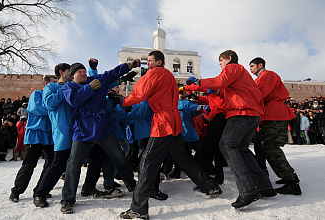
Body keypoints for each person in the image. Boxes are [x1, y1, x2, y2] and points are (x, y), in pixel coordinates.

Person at [120, 50, 221, 219]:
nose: (148, 64)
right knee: (183, 157)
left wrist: (124, 101)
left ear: (159, 62)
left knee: (147, 162)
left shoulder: (156, 73)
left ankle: (138, 209)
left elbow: (141, 93)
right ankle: (209, 185)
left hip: (163, 122)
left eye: (151, 61)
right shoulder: (168, 75)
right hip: (173, 121)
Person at [187, 50, 275, 209]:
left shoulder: (233, 67)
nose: (219, 64)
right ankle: (264, 186)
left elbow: (219, 82)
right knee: (241, 149)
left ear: (228, 58)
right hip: (251, 113)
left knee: (227, 145)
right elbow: (217, 89)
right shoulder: (239, 75)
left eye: (220, 60)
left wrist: (199, 82)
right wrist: (195, 88)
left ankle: (248, 190)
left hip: (242, 112)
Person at [60, 61, 138, 214]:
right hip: (82, 131)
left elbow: (112, 73)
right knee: (73, 165)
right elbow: (74, 101)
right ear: (73, 75)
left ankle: (132, 185)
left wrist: (128, 66)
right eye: (79, 72)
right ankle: (67, 200)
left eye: (84, 71)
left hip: (103, 128)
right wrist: (89, 88)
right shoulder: (69, 87)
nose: (83, 73)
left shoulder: (96, 80)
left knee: (119, 158)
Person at [249, 57, 301, 195]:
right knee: (260, 144)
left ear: (261, 65)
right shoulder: (261, 77)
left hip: (276, 115)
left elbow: (261, 93)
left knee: (270, 146)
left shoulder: (267, 74)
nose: (251, 69)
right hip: (271, 116)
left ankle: (291, 181)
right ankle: (263, 174)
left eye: (252, 66)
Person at [9, 76, 57, 203]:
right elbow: (37, 109)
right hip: (35, 134)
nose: (56, 85)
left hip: (49, 135)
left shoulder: (54, 96)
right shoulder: (37, 94)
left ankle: (40, 190)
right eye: (54, 82)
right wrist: (54, 107)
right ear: (46, 83)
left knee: (50, 164)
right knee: (29, 165)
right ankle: (16, 191)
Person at [32, 63, 73, 208]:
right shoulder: (52, 87)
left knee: (74, 165)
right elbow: (49, 103)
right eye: (70, 71)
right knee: (57, 164)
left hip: (76, 132)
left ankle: (77, 192)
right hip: (62, 132)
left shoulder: (72, 86)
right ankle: (39, 193)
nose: (72, 74)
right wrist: (64, 89)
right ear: (62, 72)